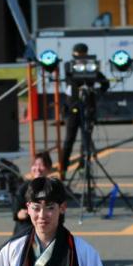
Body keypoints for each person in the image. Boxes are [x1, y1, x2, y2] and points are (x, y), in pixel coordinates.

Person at [58, 43, 109, 179]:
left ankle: (83, 167)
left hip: (88, 107)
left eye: (82, 55)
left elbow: (105, 82)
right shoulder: (69, 66)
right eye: (77, 56)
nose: (80, 58)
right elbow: (71, 80)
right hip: (73, 107)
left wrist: (96, 91)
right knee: (69, 139)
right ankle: (62, 169)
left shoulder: (91, 67)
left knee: (86, 140)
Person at [11, 151, 55, 239]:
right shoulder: (23, 188)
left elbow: (60, 216)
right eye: (35, 165)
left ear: (49, 168)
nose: (37, 168)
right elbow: (16, 210)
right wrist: (19, 214)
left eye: (41, 165)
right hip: (26, 229)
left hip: (47, 230)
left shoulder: (54, 189)